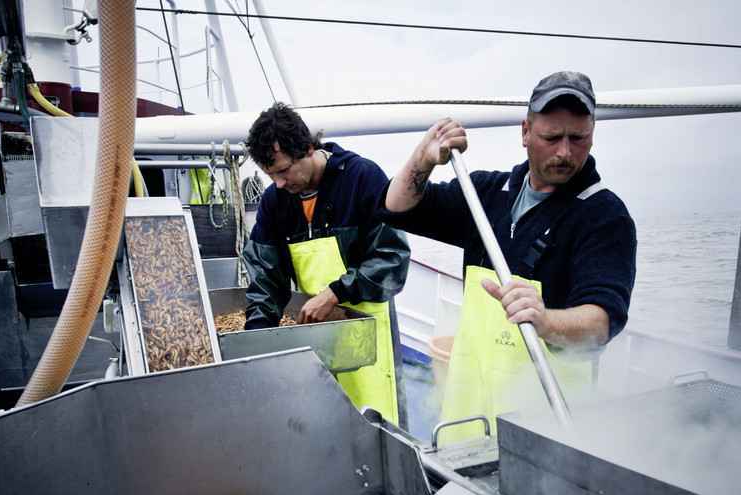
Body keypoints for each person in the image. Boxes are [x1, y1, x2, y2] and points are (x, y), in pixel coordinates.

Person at [382, 71, 636, 439]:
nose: (565, 152)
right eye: (552, 137)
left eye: (578, 139)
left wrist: (546, 320)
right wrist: (423, 160)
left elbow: (602, 321)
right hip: (467, 420)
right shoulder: (486, 193)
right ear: (525, 133)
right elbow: (398, 208)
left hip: (546, 426)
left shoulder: (604, 215)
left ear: (592, 136)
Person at [242, 102, 410, 425]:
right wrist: (255, 343)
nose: (277, 183)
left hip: (370, 338)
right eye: (269, 175)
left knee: (377, 429)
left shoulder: (362, 178)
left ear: (307, 148)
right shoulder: (275, 202)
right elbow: (266, 279)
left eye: (282, 171)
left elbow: (392, 260)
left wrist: (335, 292)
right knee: (324, 427)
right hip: (316, 338)